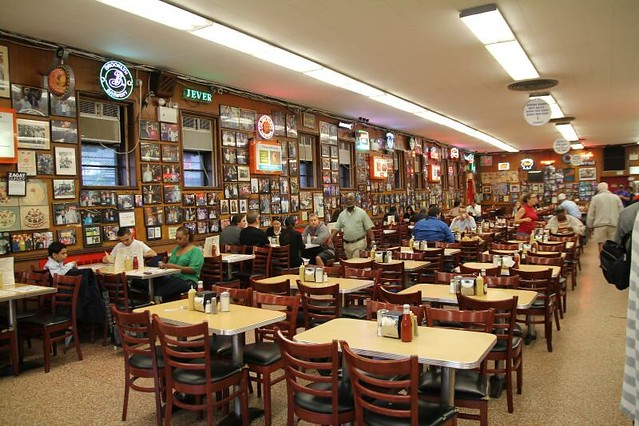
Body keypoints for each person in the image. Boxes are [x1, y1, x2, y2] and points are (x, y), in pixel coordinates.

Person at [44, 241, 104, 323]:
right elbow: (58, 275)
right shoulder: (50, 265)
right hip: (62, 296)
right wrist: (70, 265)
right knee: (89, 287)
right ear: (54, 255)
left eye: (66, 253)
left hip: (65, 292)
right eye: (63, 253)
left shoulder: (57, 263)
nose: (66, 255)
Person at [154, 226, 204, 300]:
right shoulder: (176, 249)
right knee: (156, 281)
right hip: (173, 277)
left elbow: (194, 269)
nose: (177, 241)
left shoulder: (196, 251)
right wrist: (165, 265)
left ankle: (157, 298)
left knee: (169, 285)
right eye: (176, 238)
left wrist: (175, 267)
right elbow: (170, 264)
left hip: (187, 281)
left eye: (180, 238)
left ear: (187, 237)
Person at [329, 193, 374, 259]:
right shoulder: (342, 215)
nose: (349, 201)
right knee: (350, 265)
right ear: (344, 201)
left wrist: (373, 241)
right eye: (347, 199)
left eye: (350, 199)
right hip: (347, 245)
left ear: (354, 201)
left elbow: (368, 229)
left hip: (359, 243)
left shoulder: (361, 213)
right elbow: (336, 228)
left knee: (355, 264)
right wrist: (330, 239)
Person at [587, 182, 624, 252]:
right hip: (614, 224)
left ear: (598, 189)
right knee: (613, 244)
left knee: (601, 244)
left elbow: (591, 213)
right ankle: (613, 261)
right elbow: (622, 211)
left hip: (600, 225)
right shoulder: (616, 197)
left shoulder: (595, 198)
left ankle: (603, 261)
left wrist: (590, 226)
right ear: (607, 188)